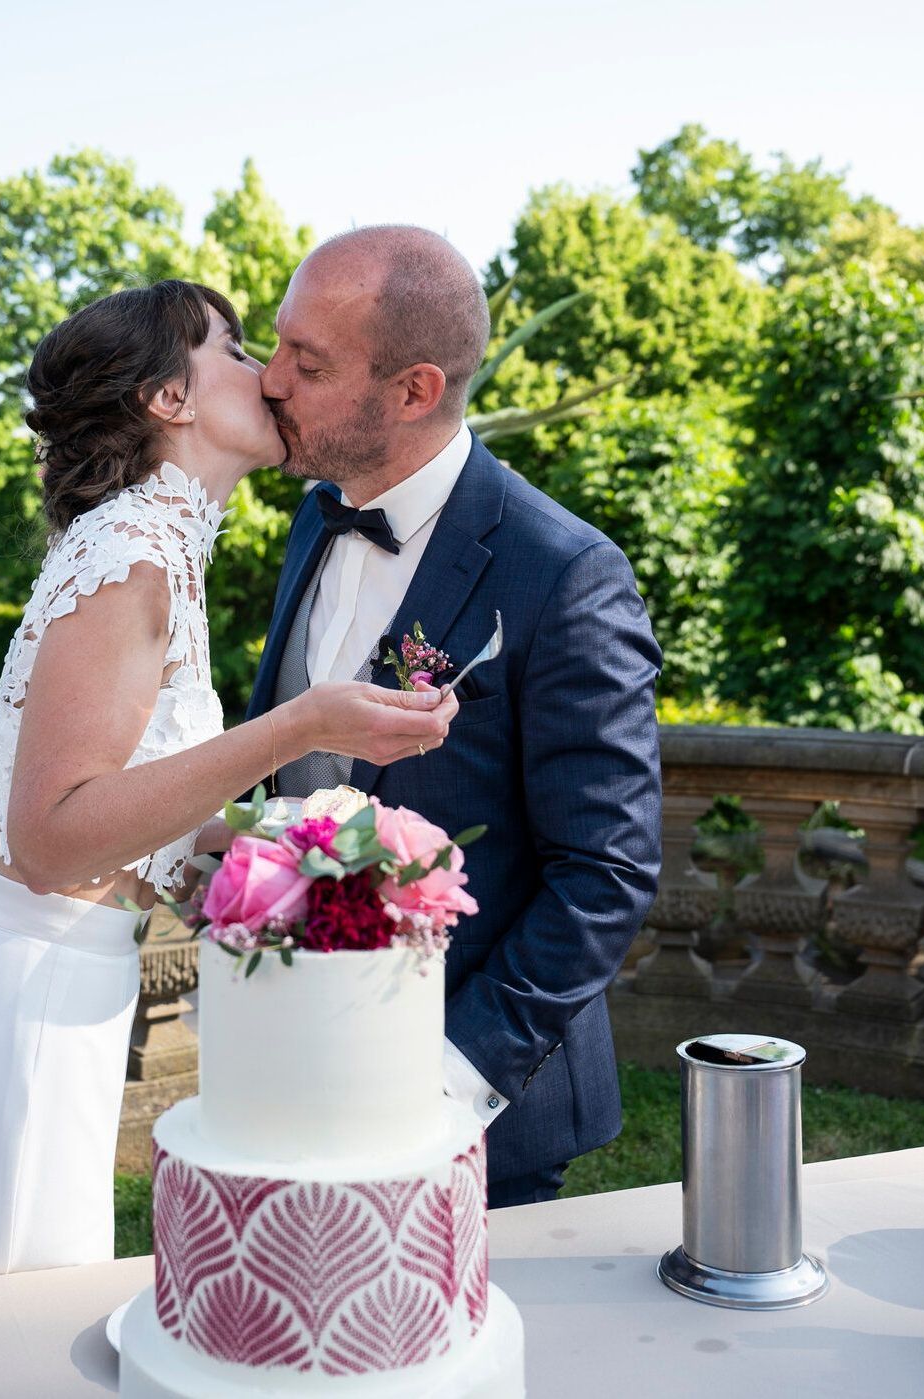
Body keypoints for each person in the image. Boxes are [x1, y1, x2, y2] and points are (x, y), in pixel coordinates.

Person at [0, 280, 457, 1299]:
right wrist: (295, 728)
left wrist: (307, 841)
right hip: (16, 1009)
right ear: (169, 399)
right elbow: (52, 838)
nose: (268, 373)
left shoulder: (158, 547)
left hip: (64, 989)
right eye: (235, 348)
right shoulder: (128, 556)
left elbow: (125, 805)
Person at [248, 227, 663, 1208]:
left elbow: (605, 873)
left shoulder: (565, 574)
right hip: (298, 1061)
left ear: (413, 391)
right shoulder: (317, 515)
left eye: (306, 363)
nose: (268, 381)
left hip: (477, 1116)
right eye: (277, 345)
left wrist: (444, 1078)